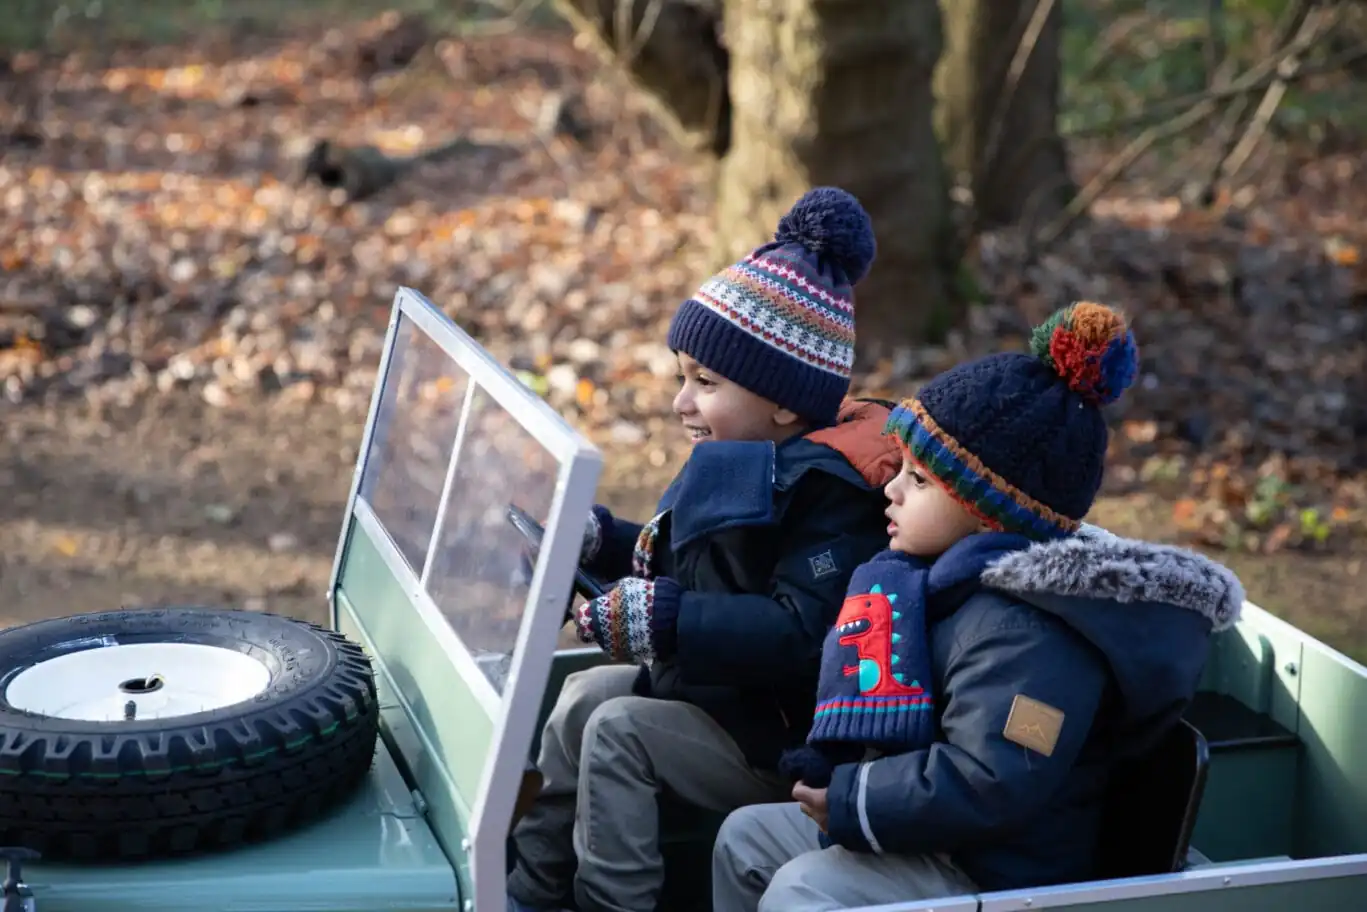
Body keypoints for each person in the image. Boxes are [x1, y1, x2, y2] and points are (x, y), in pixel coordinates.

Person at [711, 301, 1247, 912]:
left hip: (995, 870)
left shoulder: (1033, 630)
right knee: (746, 839)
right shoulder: (926, 583)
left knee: (801, 889)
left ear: (987, 511)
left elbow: (991, 781)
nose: (890, 489)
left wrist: (855, 796)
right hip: (931, 831)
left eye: (918, 481)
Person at [507, 187, 905, 912]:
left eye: (705, 382)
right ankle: (531, 892)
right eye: (680, 377)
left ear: (784, 403)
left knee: (620, 730)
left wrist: (667, 620)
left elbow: (799, 634)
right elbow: (688, 560)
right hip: (721, 701)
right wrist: (603, 542)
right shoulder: (743, 452)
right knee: (579, 695)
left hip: (781, 743)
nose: (680, 402)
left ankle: (611, 903)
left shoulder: (835, 500)